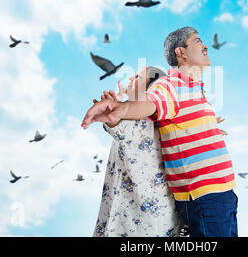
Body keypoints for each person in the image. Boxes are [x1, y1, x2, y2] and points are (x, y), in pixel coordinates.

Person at [82, 27, 238, 237]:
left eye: (137, 76)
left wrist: (207, 125)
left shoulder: (190, 90)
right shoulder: (168, 87)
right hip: (197, 198)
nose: (206, 45)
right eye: (198, 41)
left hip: (217, 193)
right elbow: (146, 108)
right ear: (181, 52)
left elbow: (168, 114)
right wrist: (121, 110)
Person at [93, 66, 183, 237]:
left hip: (139, 221)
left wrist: (114, 111)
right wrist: (118, 106)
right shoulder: (159, 118)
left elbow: (119, 127)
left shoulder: (142, 118)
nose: (130, 80)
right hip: (155, 217)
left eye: (137, 77)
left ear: (152, 88)